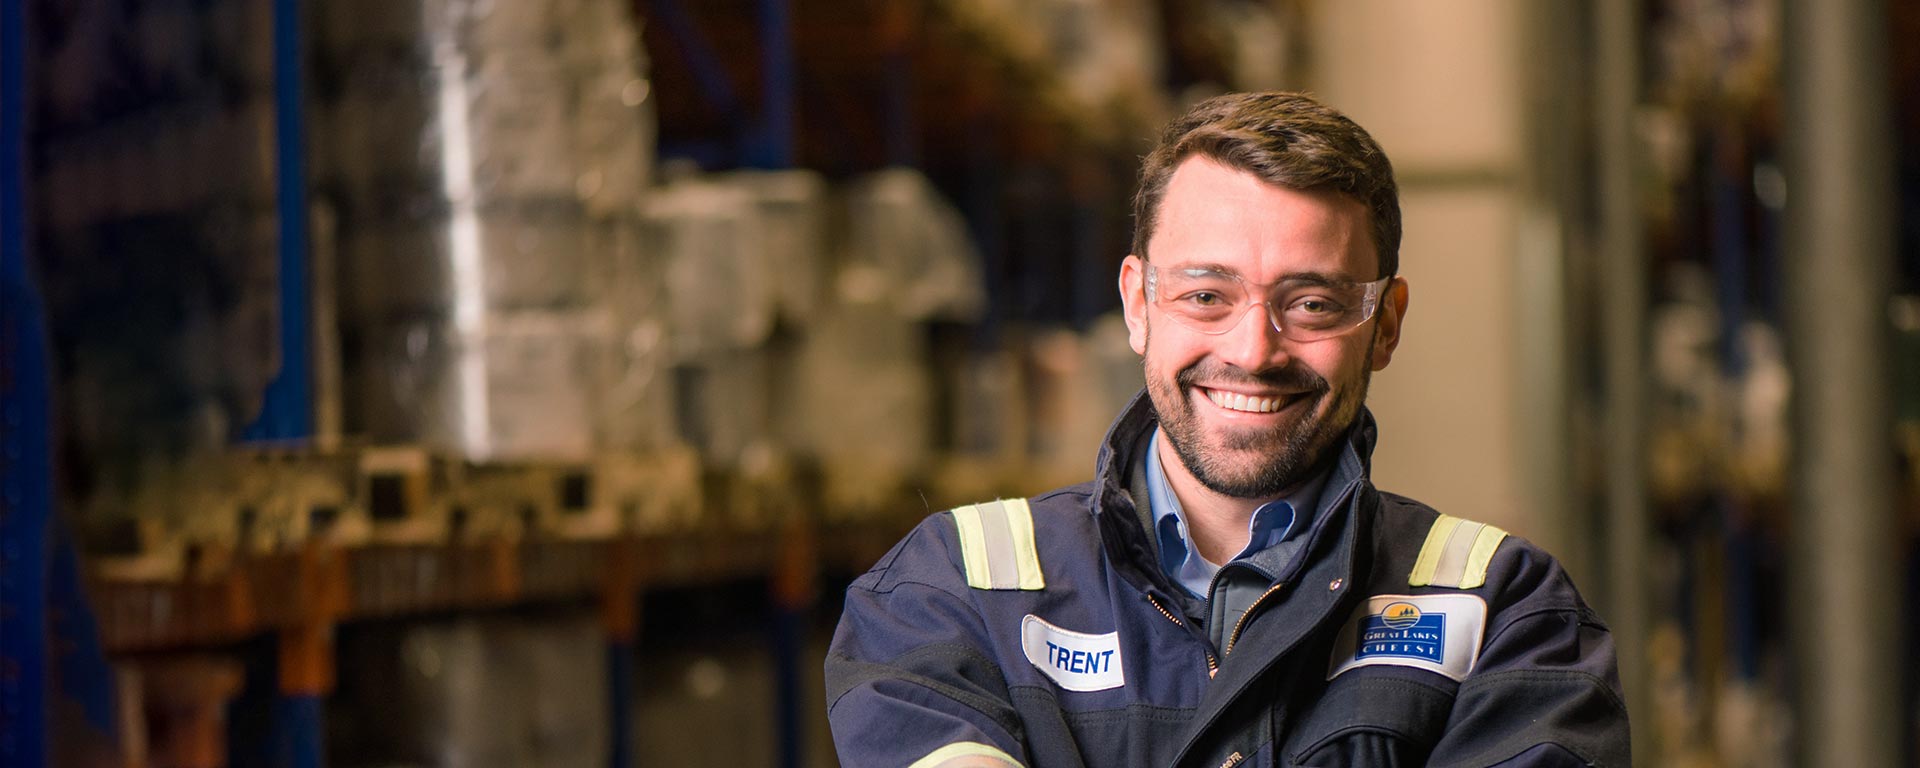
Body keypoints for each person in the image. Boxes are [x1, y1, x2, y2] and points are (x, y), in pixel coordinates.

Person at [825, 92, 1630, 767]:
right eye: (1207, 295)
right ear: (1138, 303)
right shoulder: (949, 594)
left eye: (1311, 303)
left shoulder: (1507, 617)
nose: (1253, 351)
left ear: (1384, 324)